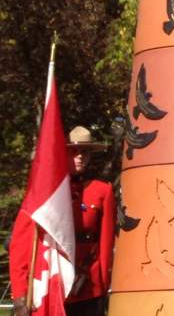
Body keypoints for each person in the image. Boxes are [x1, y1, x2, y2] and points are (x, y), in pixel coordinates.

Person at [9, 126, 115, 316]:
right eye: (74, 151)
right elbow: (20, 247)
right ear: (63, 154)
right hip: (52, 283)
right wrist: (20, 294)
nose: (80, 156)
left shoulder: (102, 191)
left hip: (87, 285)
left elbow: (106, 244)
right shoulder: (42, 194)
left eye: (85, 152)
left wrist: (103, 283)